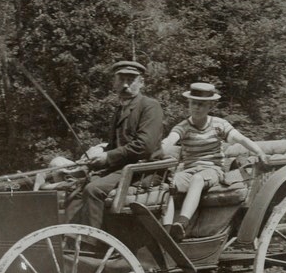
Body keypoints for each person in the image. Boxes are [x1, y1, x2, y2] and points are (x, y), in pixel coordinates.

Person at [161, 82, 268, 241]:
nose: (196, 107)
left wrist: (258, 151)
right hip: (188, 171)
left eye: (201, 104)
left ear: (210, 106)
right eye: (193, 103)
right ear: (188, 104)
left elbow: (240, 138)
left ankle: (182, 224)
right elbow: (169, 141)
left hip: (212, 170)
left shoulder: (219, 124)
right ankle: (166, 230)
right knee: (167, 185)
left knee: (198, 179)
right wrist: (158, 149)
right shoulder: (183, 127)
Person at [66, 60, 165, 231]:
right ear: (114, 83)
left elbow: (144, 147)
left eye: (131, 80)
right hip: (122, 169)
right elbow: (115, 144)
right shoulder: (119, 110)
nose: (125, 85)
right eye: (121, 80)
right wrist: (98, 153)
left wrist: (107, 157)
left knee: (93, 190)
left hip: (143, 170)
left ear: (141, 82)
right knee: (78, 186)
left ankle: (92, 243)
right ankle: (70, 239)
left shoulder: (150, 106)